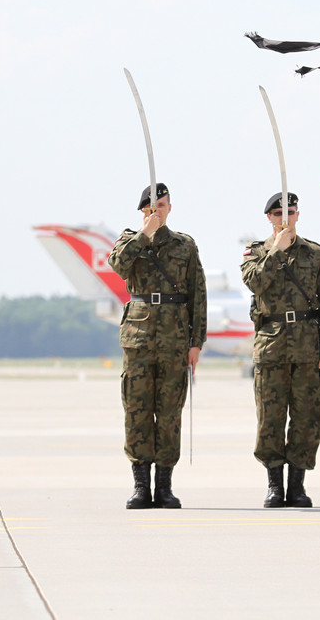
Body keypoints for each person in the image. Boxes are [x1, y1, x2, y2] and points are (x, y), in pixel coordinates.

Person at [108, 183, 207, 509]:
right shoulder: (129, 241)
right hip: (138, 338)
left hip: (174, 339)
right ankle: (140, 486)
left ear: (169, 207)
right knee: (137, 412)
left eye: (162, 205)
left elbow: (198, 295)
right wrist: (143, 235)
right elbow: (118, 266)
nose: (157, 211)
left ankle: (164, 486)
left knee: (169, 413)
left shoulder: (184, 245)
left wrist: (196, 343)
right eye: (151, 207)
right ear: (142, 211)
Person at [241, 192, 320, 508]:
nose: (284, 219)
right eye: (277, 214)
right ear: (269, 218)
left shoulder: (314, 254)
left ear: (297, 215)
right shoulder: (255, 253)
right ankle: (274, 485)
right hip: (271, 347)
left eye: (290, 213)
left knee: (306, 418)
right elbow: (255, 282)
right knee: (270, 418)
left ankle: (297, 486)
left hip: (307, 348)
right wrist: (276, 251)